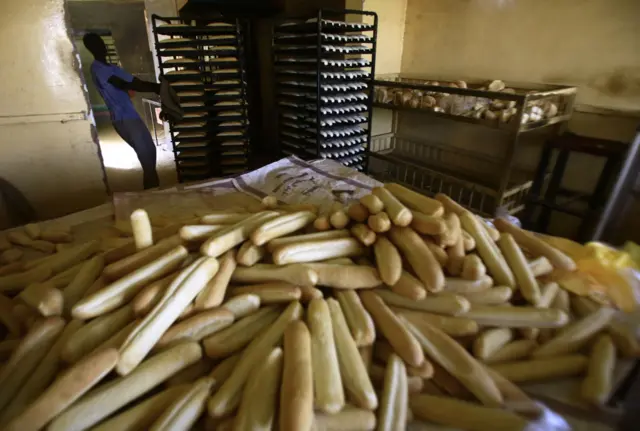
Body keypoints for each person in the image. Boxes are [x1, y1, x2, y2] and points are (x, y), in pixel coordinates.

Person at [83, 32, 161, 189]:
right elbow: (125, 84)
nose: (101, 47)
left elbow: (134, 82)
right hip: (123, 118)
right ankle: (153, 192)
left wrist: (154, 87)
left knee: (149, 152)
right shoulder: (98, 69)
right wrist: (158, 88)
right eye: (95, 45)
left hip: (129, 115)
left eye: (100, 43)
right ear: (91, 49)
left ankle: (152, 189)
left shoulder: (111, 67)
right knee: (146, 155)